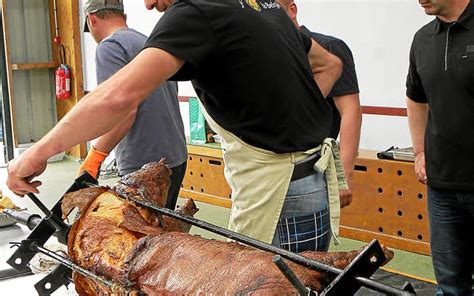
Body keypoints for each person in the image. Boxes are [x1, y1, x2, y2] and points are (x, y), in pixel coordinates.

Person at [7, 0, 345, 253]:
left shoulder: (195, 12)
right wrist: (289, 116)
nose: (149, 4)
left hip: (279, 197)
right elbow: (329, 64)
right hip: (311, 183)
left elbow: (117, 98)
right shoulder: (261, 5)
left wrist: (37, 152)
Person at [80, 0, 187, 210]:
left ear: (92, 20)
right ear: (124, 17)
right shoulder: (149, 43)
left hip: (143, 163)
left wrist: (94, 158)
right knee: (162, 232)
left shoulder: (110, 47)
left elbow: (121, 112)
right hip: (176, 157)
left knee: (140, 237)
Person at [406, 0, 474, 294]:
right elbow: (416, 98)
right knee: (449, 286)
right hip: (442, 188)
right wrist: (419, 152)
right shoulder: (422, 39)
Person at [278, 0, 362, 209]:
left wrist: (344, 174)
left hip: (313, 169)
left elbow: (350, 110)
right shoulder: (268, 54)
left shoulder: (330, 48)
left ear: (292, 10)